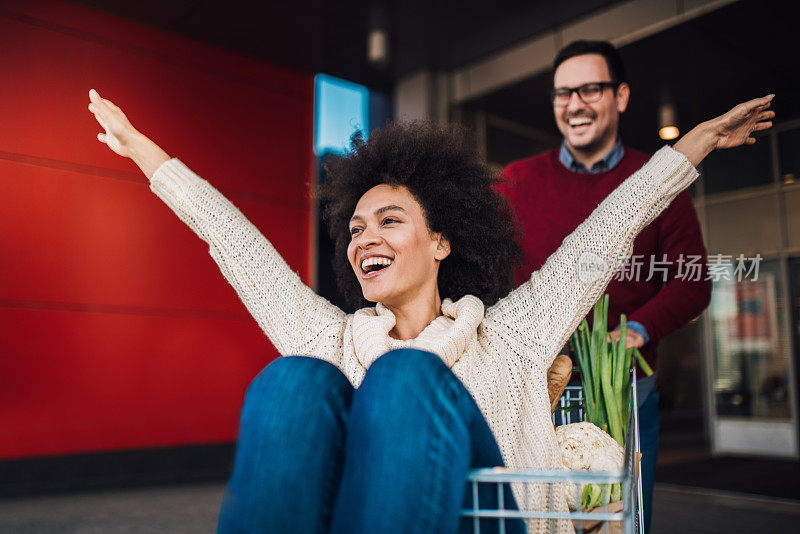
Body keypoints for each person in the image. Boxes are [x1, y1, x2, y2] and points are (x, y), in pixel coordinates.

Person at [87, 88, 773, 534]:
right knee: (292, 380)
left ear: (441, 240)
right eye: (355, 230)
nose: (366, 239)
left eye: (389, 220)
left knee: (406, 380)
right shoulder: (331, 338)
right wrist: (144, 152)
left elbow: (605, 237)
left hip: (497, 525)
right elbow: (234, 243)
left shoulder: (513, 333)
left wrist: (697, 145)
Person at [497, 40, 714, 532]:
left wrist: (638, 329)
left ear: (621, 96)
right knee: (539, 520)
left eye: (590, 89)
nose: (574, 104)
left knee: (622, 522)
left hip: (625, 388)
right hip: (537, 391)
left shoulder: (660, 180)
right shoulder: (515, 182)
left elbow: (693, 280)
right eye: (562, 93)